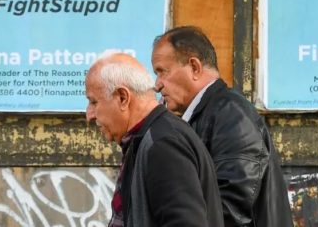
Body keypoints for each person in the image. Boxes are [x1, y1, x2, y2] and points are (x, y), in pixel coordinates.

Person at [152, 26, 294, 227]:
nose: (157, 84)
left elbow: (231, 206)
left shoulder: (230, 112)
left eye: (162, 71)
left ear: (194, 67)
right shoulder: (209, 113)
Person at [85, 52, 223, 227]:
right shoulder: (147, 139)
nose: (89, 115)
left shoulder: (163, 144)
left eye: (93, 102)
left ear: (122, 97)